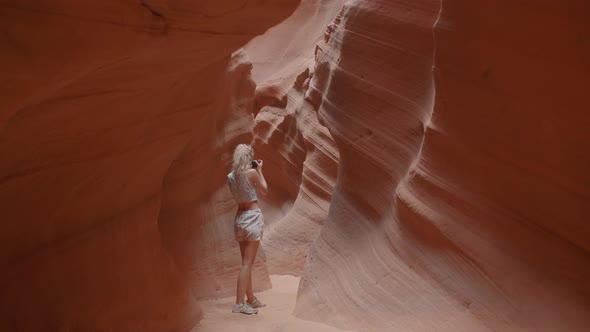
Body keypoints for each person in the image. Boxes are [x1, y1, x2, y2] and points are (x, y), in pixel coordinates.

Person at [227, 144, 269, 315]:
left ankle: (250, 299)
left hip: (240, 218)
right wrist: (259, 170)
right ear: (248, 156)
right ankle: (239, 303)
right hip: (252, 217)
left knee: (246, 263)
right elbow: (265, 190)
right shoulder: (251, 173)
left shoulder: (230, 176)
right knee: (247, 263)